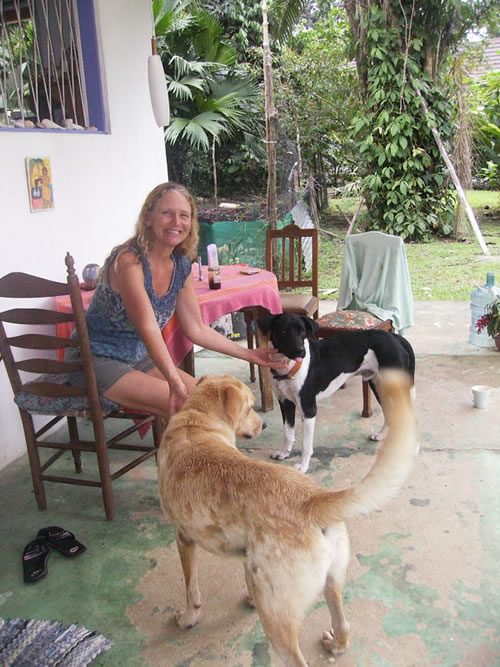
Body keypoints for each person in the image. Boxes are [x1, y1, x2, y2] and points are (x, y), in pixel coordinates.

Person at [67, 181, 286, 418]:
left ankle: (187, 454)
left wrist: (248, 354)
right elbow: (148, 328)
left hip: (138, 358)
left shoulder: (180, 265)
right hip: (94, 359)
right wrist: (173, 380)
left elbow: (196, 329)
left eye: (184, 215)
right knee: (192, 407)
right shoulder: (129, 261)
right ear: (148, 217)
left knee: (213, 404)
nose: (176, 222)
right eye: (167, 213)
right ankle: (190, 455)